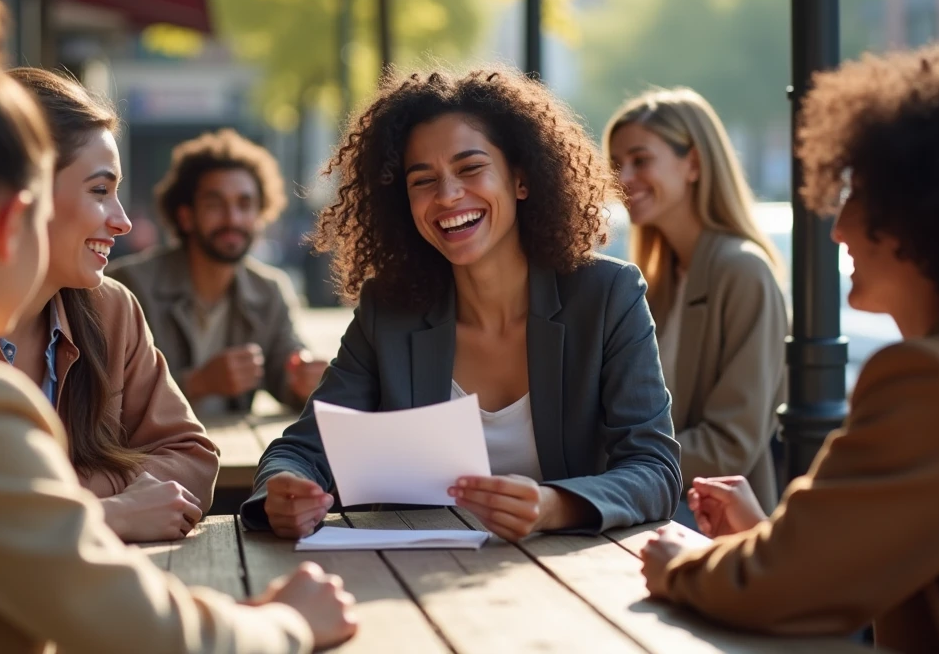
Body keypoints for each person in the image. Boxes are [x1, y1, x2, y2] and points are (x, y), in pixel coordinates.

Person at [0, 0, 356, 653]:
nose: (123, 222)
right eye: (94, 192)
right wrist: (289, 621)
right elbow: (152, 634)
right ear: (13, 222)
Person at [640, 40, 939, 653]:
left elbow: (775, 586)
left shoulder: (938, 382)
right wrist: (768, 536)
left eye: (858, 195)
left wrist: (677, 563)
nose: (837, 226)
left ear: (925, 212)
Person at [241, 67, 682, 542]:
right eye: (422, 181)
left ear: (521, 179)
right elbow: (302, 449)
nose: (448, 196)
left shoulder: (607, 296)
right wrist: (283, 493)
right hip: (416, 579)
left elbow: (654, 469)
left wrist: (554, 505)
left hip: (574, 580)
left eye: (471, 169)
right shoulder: (388, 311)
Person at [0, 67, 218, 543]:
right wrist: (106, 512)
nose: (123, 221)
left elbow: (192, 459)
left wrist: (80, 498)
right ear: (26, 197)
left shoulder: (111, 310)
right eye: (100, 191)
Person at [605, 89, 787, 523]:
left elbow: (732, 443)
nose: (623, 177)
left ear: (694, 164)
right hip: (657, 504)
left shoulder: (744, 272)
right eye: (615, 164)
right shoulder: (651, 283)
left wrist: (621, 469)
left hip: (711, 520)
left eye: (640, 159)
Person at [110, 130, 327, 414]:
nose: (232, 218)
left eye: (245, 204)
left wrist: (305, 382)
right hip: (149, 453)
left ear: (260, 215)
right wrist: (198, 383)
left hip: (236, 450)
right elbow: (108, 396)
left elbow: (284, 371)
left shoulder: (269, 290)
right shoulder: (127, 287)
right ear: (185, 216)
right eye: (215, 204)